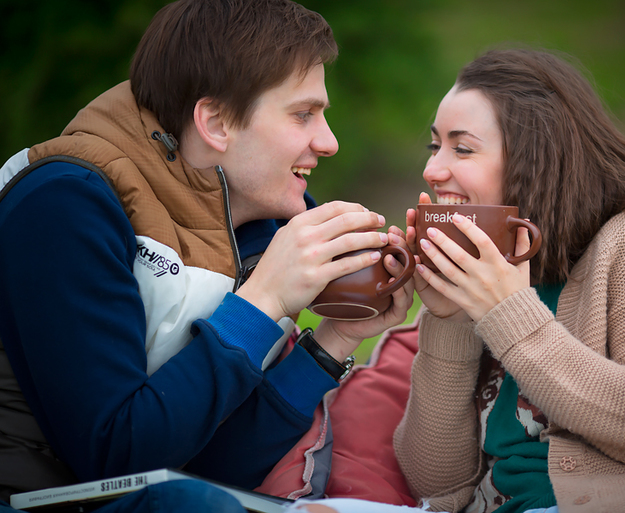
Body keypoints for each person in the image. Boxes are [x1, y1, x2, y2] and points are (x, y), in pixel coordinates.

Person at [0, 0, 412, 511]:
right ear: (216, 122)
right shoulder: (65, 204)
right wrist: (263, 302)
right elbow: (116, 460)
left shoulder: (261, 227)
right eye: (303, 114)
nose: (328, 142)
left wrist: (332, 341)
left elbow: (212, 467)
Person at [389, 48, 625, 513]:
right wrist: (450, 319)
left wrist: (509, 316)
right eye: (435, 146)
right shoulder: (484, 274)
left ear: (537, 158)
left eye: (463, 148)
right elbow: (434, 478)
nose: (432, 170)